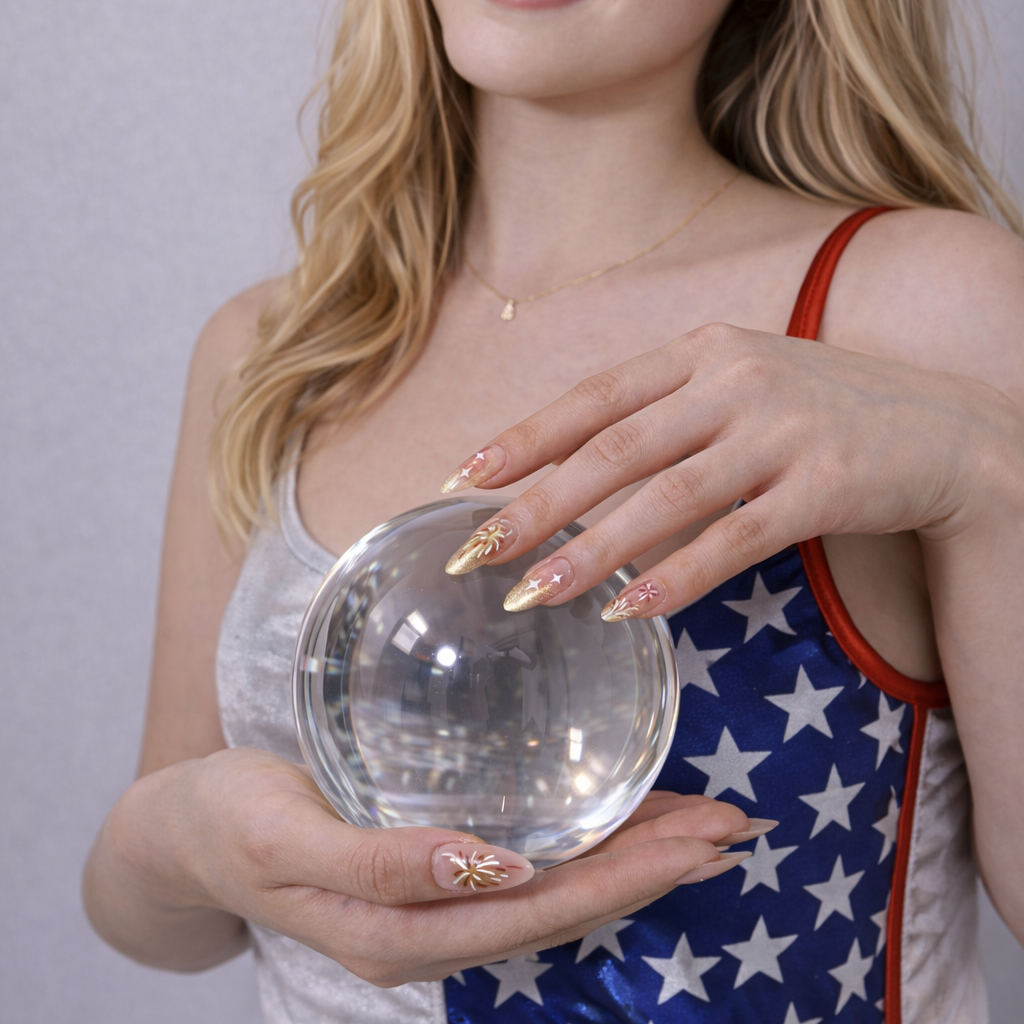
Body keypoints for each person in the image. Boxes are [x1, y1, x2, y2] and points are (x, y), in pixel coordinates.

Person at [83, 0, 1024, 1021]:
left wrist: (986, 474)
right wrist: (185, 834)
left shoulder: (916, 307)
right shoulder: (272, 352)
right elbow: (156, 924)